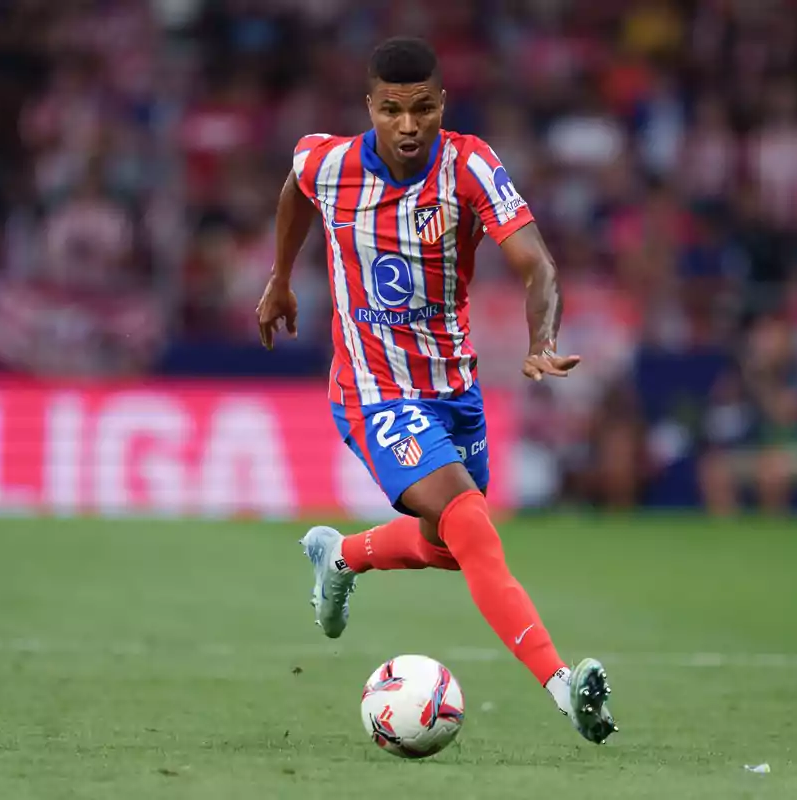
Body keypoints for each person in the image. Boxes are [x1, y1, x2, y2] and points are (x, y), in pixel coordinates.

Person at [255, 37, 617, 745]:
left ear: (441, 104)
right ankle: (562, 686)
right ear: (371, 107)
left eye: (422, 108)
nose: (408, 125)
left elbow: (536, 265)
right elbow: (295, 188)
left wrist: (542, 338)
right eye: (391, 110)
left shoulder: (470, 165)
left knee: (449, 545)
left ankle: (342, 556)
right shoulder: (329, 163)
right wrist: (278, 277)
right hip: (371, 389)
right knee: (469, 520)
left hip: (453, 389)